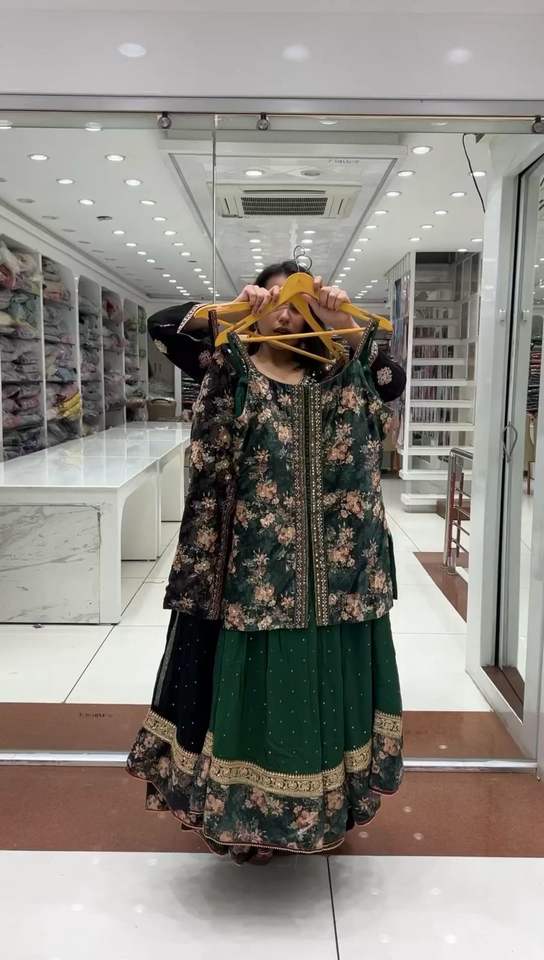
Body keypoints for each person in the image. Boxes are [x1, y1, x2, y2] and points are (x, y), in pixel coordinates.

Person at [127, 261, 406, 865]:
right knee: (255, 695)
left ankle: (325, 809)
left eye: (299, 300)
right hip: (250, 576)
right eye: (276, 298)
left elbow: (390, 380)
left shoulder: (345, 370)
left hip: (340, 581)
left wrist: (342, 322)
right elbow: (163, 326)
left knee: (327, 692)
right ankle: (244, 818)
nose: (286, 311)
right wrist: (233, 309)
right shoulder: (228, 366)